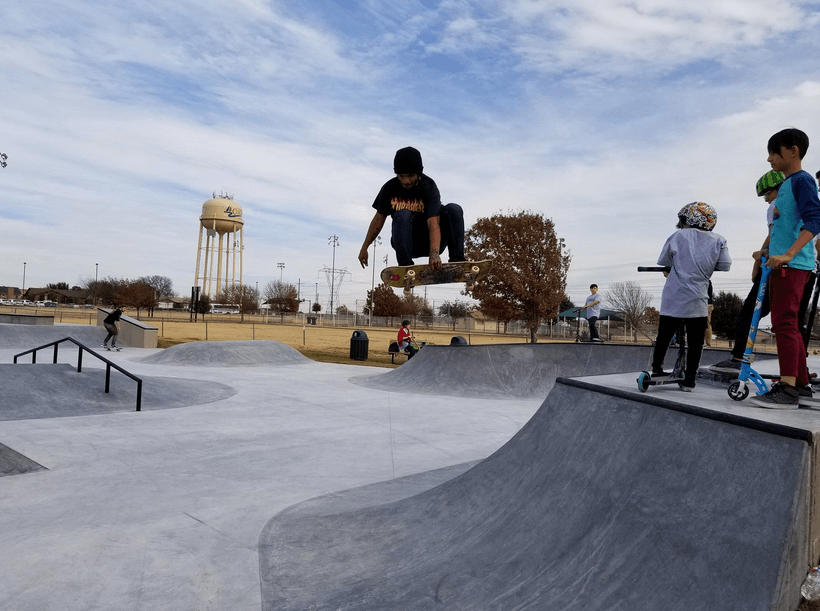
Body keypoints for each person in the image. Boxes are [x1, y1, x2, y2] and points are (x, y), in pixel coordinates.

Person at [751, 128, 820, 408]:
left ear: (793, 151)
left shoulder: (802, 180)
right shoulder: (789, 184)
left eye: (773, 153)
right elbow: (787, 228)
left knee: (784, 323)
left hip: (792, 265)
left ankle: (787, 387)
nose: (769, 159)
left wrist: (789, 254)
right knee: (787, 322)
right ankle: (800, 384)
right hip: (783, 263)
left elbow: (815, 220)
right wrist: (767, 252)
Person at [650, 202, 731, 391]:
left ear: (692, 219)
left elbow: (664, 260)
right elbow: (725, 265)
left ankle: (657, 370)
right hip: (698, 299)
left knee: (664, 336)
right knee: (696, 342)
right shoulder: (719, 240)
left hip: (674, 297)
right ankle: (689, 380)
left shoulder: (678, 236)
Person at [710, 170, 783, 373]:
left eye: (767, 193)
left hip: (773, 267)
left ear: (777, 189)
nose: (766, 199)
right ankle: (796, 370)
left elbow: (774, 236)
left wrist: (759, 260)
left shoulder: (775, 205)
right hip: (799, 269)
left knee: (748, 314)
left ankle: (739, 358)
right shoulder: (798, 206)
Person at [358, 147, 465, 271]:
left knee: (454, 209)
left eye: (410, 175)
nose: (406, 181)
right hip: (407, 243)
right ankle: (405, 266)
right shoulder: (389, 188)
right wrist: (364, 248)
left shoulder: (428, 186)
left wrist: (434, 254)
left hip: (432, 241)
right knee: (402, 214)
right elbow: (378, 220)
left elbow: (433, 222)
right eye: (401, 176)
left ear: (419, 173)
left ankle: (457, 260)